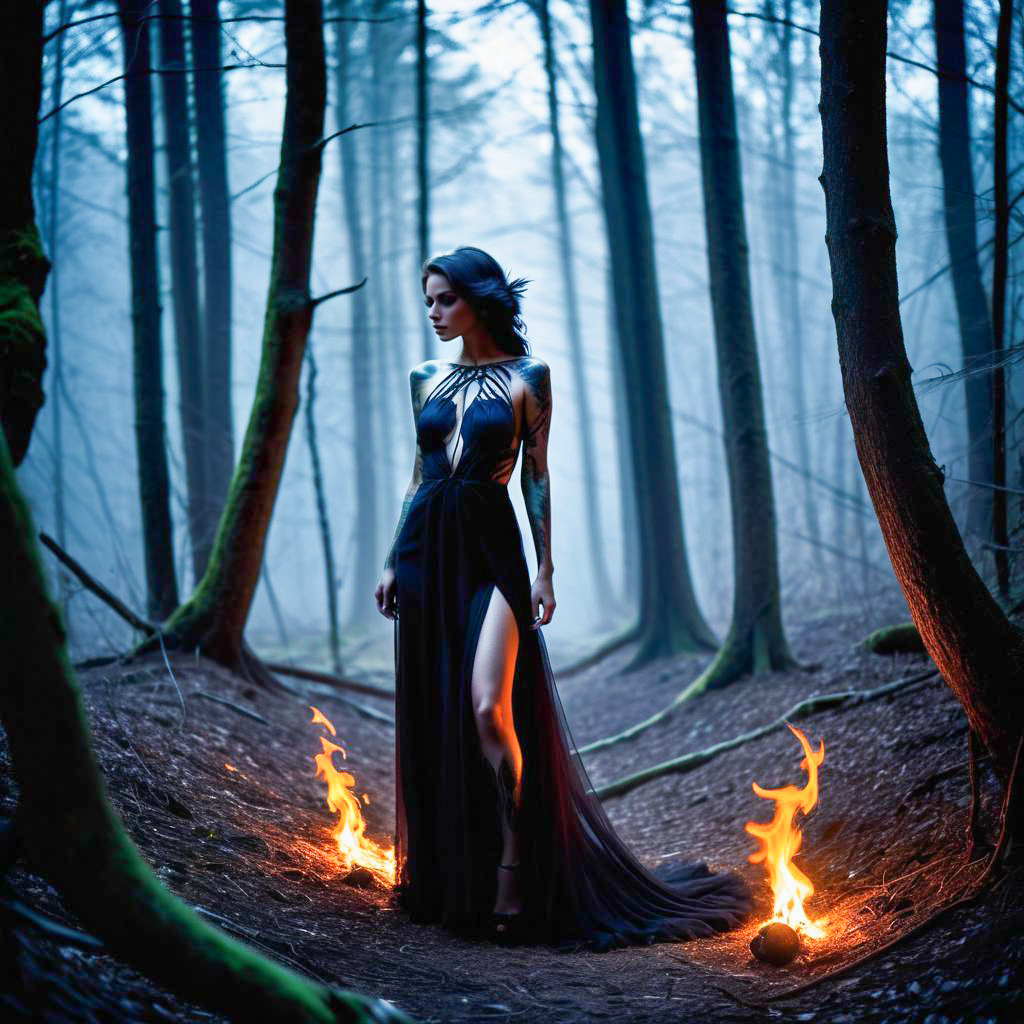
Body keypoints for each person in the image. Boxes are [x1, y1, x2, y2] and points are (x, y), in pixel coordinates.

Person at [375, 246, 751, 948]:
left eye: (444, 300)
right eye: (426, 301)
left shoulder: (529, 376)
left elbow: (535, 478)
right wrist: (395, 558)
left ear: (479, 299)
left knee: (489, 706)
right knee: (438, 709)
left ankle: (517, 868)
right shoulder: (424, 378)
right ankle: (450, 871)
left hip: (492, 549)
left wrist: (546, 569)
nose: (432, 313)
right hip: (428, 551)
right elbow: (416, 474)